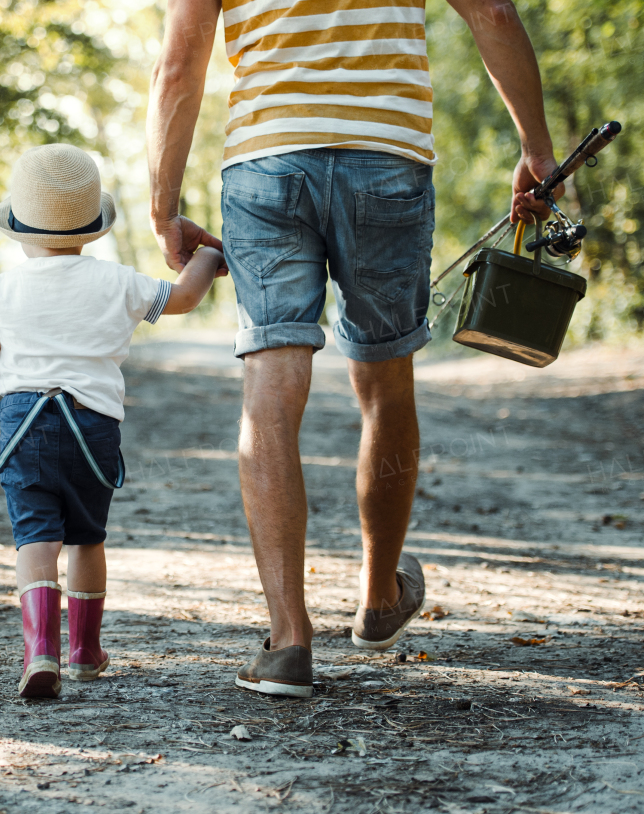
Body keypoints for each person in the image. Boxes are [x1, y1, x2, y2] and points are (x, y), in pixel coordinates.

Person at [146, 0, 558, 697]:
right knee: (385, 379)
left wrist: (162, 207)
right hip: (386, 160)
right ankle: (377, 597)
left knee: (270, 392)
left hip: (266, 165)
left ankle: (289, 641)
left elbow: (180, 62)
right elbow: (490, 9)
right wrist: (538, 150)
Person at [0, 144, 224, 699]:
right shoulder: (115, 281)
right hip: (93, 427)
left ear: (20, 229)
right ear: (92, 229)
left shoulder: (1, 289)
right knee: (86, 538)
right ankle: (84, 651)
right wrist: (205, 252)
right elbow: (182, 299)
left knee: (35, 537)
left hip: (22, 424)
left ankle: (40, 651)